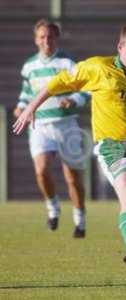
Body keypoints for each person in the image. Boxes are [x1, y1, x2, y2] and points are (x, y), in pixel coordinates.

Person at [13, 23, 126, 271]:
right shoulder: (98, 67)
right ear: (120, 47)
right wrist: (31, 107)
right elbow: (58, 82)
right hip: (112, 144)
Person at [13, 19, 89, 238]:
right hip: (40, 126)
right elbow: (26, 94)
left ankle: (80, 219)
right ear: (36, 40)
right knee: (41, 170)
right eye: (42, 37)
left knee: (72, 178)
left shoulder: (67, 63)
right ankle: (53, 208)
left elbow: (86, 90)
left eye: (50, 36)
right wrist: (20, 108)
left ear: (57, 38)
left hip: (67, 126)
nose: (46, 41)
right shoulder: (29, 66)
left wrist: (73, 100)